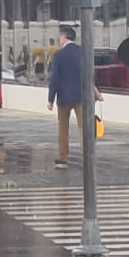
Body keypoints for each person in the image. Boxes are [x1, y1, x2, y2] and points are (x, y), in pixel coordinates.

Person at [46, 26, 86, 169]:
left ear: (64, 37)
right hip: (81, 96)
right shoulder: (82, 52)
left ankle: (63, 158)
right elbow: (90, 73)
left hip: (63, 97)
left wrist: (50, 99)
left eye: (60, 37)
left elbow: (54, 78)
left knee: (63, 129)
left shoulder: (58, 55)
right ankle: (87, 156)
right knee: (84, 127)